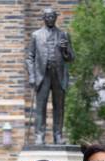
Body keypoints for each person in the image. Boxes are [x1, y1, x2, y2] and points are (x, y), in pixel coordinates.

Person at [26, 7, 75, 144]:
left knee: (59, 107)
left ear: (55, 17)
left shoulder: (63, 35)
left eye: (52, 16)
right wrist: (32, 76)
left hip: (59, 75)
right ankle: (39, 136)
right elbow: (30, 57)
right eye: (47, 17)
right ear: (43, 18)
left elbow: (71, 57)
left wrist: (65, 50)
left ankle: (58, 135)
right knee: (40, 107)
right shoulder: (36, 35)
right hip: (42, 74)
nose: (50, 19)